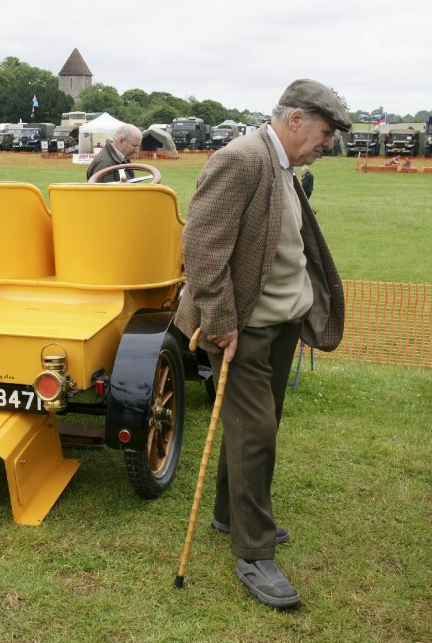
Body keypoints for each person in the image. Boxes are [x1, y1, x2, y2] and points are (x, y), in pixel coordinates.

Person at [174, 79, 349, 609]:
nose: (328, 144)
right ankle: (254, 552)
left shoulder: (282, 165)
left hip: (279, 324)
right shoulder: (243, 159)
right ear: (294, 119)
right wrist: (223, 324)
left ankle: (229, 514)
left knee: (252, 425)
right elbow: (202, 247)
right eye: (324, 132)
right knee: (257, 433)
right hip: (242, 328)